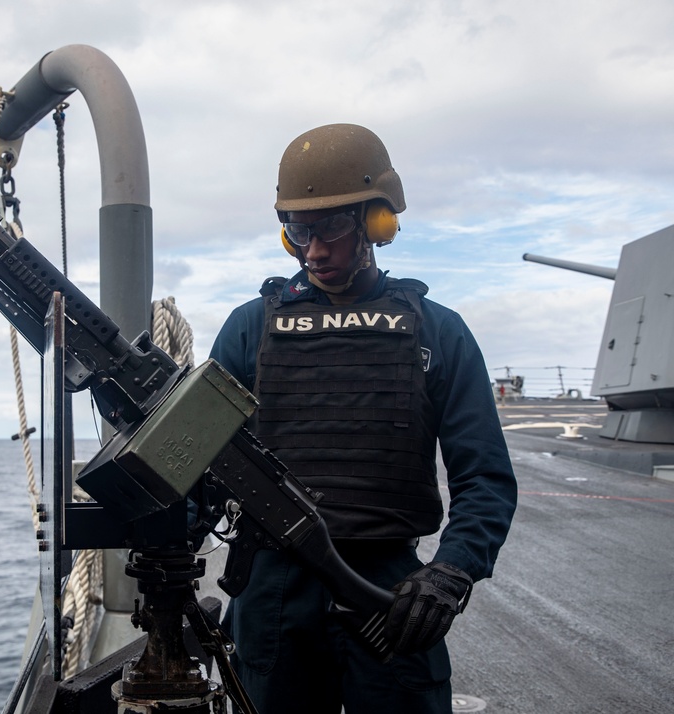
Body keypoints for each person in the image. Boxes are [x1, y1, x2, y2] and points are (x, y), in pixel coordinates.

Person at [209, 124, 517, 713]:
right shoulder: (251, 328)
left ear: (378, 223)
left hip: (391, 591)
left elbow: (485, 479)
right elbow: (203, 458)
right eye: (299, 232)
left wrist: (449, 575)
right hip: (274, 590)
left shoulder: (436, 330)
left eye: (331, 229)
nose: (313, 250)